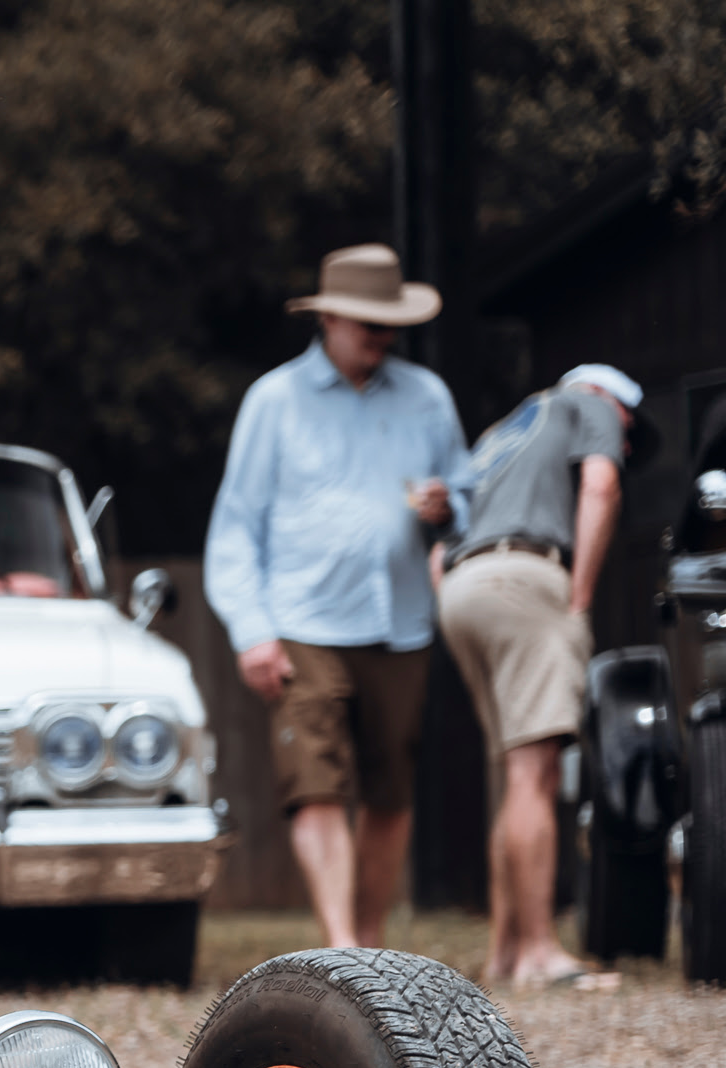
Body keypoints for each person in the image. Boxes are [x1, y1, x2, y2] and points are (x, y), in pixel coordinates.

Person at [205, 244, 469, 950]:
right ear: (328, 319)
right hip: (303, 624)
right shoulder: (275, 400)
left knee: (389, 793)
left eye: (388, 322)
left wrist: (451, 508)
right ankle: (341, 943)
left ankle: (372, 945)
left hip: (400, 623)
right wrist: (252, 632)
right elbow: (236, 527)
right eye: (365, 321)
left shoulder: (428, 397)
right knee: (314, 783)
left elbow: (469, 493)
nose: (379, 335)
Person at [434, 363, 646, 989]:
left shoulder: (502, 432)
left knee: (512, 776)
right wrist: (578, 597)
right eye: (629, 427)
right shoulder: (588, 406)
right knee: (536, 773)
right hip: (529, 579)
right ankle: (539, 954)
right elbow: (602, 486)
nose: (625, 443)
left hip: (464, 588)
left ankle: (504, 955)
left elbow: (438, 544)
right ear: (609, 397)